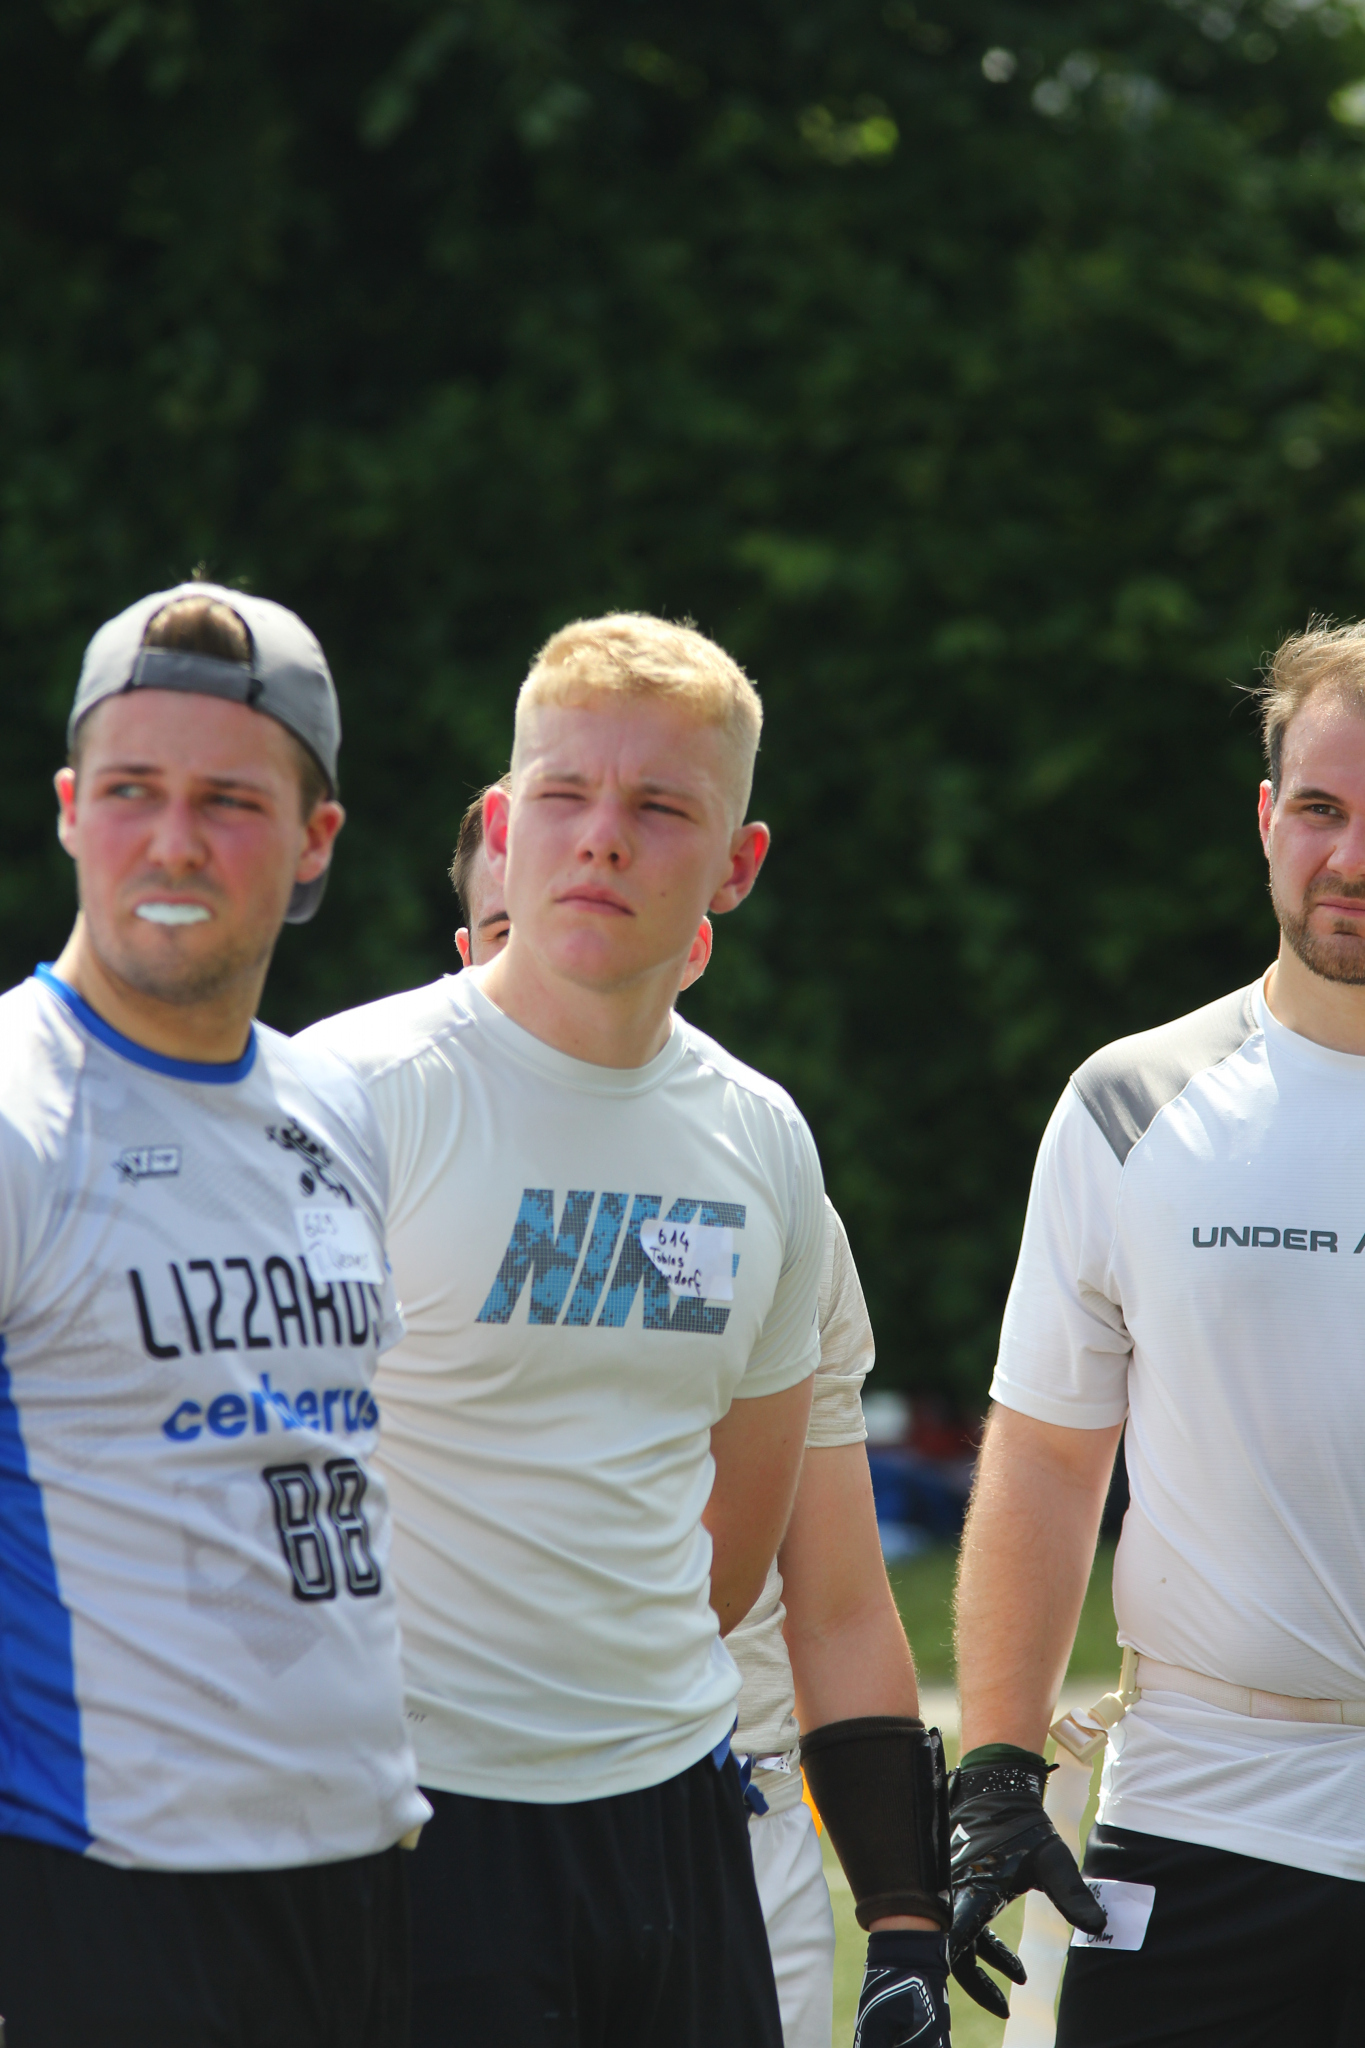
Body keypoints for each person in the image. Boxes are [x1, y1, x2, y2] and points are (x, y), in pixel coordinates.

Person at [298, 613, 939, 2048]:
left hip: (673, 1825)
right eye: (566, 794)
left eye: (660, 807)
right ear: (501, 822)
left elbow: (735, 1558)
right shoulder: (354, 1095)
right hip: (407, 1819)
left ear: (737, 864)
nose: (602, 837)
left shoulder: (762, 1141)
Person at [444, 787, 953, 2048]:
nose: (555, 963)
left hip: (726, 1815)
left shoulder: (770, 1178)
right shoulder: (380, 1142)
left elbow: (836, 1592)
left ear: (693, 942)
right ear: (464, 954)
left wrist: (902, 1917)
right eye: (508, 931)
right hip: (448, 1816)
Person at [0, 583, 428, 2047]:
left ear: (316, 840)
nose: (173, 841)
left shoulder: (330, 1106)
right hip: (97, 1892)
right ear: (71, 811)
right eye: (132, 790)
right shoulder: (18, 1115)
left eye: (230, 802)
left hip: (355, 1882)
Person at [949, 620, 1365, 2045]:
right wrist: (998, 1769)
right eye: (1320, 808)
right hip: (1202, 1816)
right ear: (1265, 818)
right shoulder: (1131, 1103)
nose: (1350, 857)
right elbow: (1046, 1460)